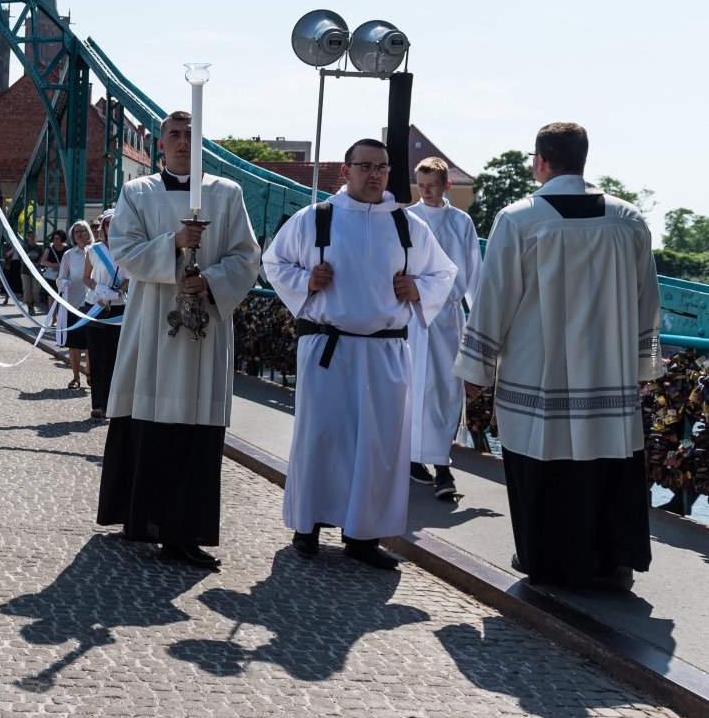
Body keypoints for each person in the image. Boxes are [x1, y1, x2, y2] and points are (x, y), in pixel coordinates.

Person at [456, 122, 662, 589]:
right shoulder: (628, 219)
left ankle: (547, 560)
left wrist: (477, 368)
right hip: (609, 373)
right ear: (583, 160)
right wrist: (641, 363)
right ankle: (614, 558)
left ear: (541, 162)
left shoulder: (519, 219)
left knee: (542, 463)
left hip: (539, 373)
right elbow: (647, 297)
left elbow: (493, 299)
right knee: (609, 463)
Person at [262, 138, 456, 569]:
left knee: (378, 445)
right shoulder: (316, 218)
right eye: (365, 166)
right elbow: (274, 263)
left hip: (386, 350)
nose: (375, 174)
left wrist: (417, 288)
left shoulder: (407, 225)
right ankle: (308, 525)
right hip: (327, 346)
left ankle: (364, 534)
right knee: (321, 437)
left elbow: (444, 273)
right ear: (345, 170)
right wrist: (306, 280)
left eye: (382, 167)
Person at [96, 111, 261, 569]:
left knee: (196, 427)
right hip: (152, 325)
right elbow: (123, 251)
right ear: (159, 144)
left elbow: (247, 257)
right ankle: (142, 520)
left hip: (205, 329)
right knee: (149, 421)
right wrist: (173, 243)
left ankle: (185, 531)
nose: (184, 141)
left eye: (192, 134)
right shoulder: (137, 192)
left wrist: (210, 281)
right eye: (175, 134)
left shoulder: (227, 193)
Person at [405, 157, 482, 500]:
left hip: (448, 319)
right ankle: (418, 461)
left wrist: (481, 326)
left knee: (445, 391)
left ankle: (441, 464)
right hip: (413, 316)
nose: (425, 192)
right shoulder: (406, 219)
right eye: (421, 185)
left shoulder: (461, 222)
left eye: (432, 186)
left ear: (446, 185)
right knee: (412, 390)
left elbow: (474, 275)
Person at [83, 208, 126, 423]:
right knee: (97, 355)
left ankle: (110, 403)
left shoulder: (127, 249)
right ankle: (97, 405)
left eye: (115, 223)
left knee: (113, 357)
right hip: (95, 305)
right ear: (103, 227)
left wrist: (116, 292)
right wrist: (98, 289)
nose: (111, 227)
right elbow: (86, 277)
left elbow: (130, 279)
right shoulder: (93, 250)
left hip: (118, 307)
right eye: (108, 223)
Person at [56, 220, 94, 390]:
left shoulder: (96, 252)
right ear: (72, 236)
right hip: (73, 304)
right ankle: (76, 377)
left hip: (93, 304)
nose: (80, 234)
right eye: (76, 231)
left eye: (83, 230)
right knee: (74, 343)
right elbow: (60, 278)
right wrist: (64, 283)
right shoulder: (68, 255)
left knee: (92, 343)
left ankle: (90, 373)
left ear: (89, 233)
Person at [22, 230, 46, 314]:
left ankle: (32, 303)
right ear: (28, 238)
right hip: (25, 271)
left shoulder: (39, 248)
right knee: (27, 290)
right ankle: (30, 308)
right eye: (30, 236)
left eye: (33, 236)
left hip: (36, 271)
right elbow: (23, 259)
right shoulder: (24, 248)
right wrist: (31, 264)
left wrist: (37, 264)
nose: (32, 237)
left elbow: (41, 259)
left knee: (36, 289)